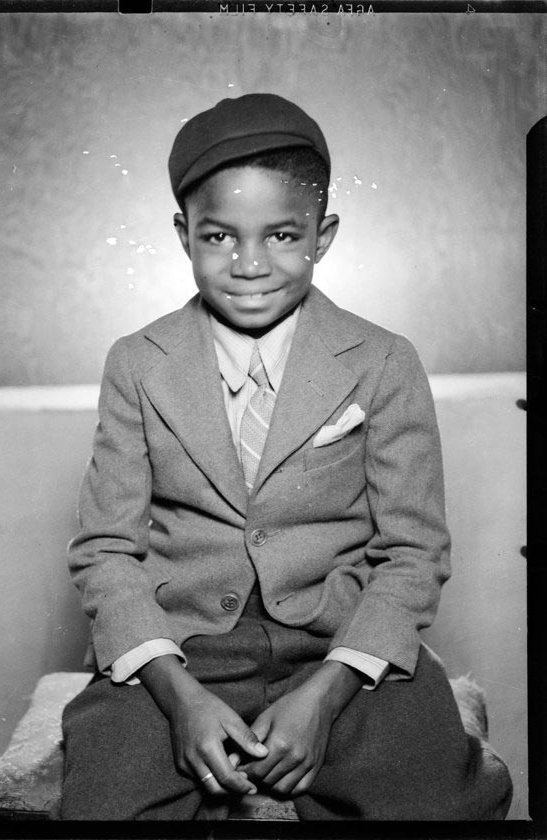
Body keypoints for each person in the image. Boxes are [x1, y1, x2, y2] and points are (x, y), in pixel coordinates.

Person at [60, 93, 512, 821]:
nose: (247, 264)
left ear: (322, 235)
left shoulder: (384, 360)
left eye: (279, 235)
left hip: (342, 640)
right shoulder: (137, 363)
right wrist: (177, 697)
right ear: (182, 235)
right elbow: (106, 549)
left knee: (429, 798)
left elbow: (413, 549)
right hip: (182, 645)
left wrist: (329, 691)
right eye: (217, 237)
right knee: (105, 800)